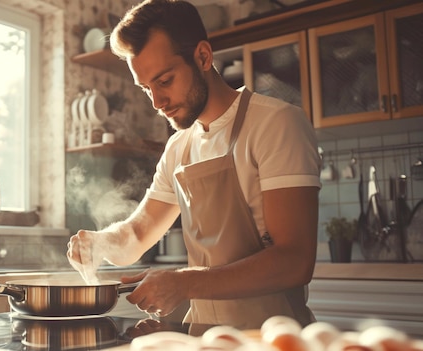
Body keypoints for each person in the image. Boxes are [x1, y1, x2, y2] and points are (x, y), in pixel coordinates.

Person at [67, 0, 321, 329]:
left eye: (165, 81)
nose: (157, 102)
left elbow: (295, 261)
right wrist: (100, 242)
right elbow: (137, 233)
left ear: (202, 57)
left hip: (274, 338)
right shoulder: (179, 148)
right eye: (146, 89)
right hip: (204, 339)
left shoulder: (276, 123)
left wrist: (184, 283)